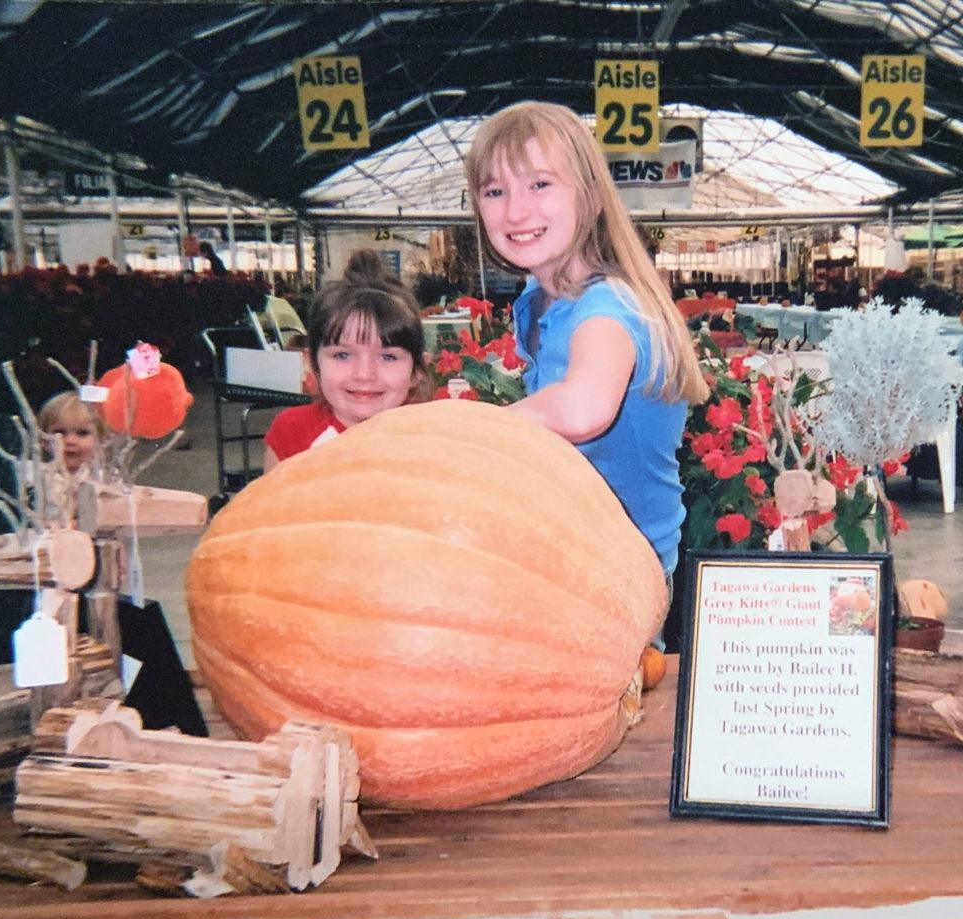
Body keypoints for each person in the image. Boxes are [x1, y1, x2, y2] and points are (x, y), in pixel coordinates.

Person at [464, 101, 708, 582]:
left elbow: (582, 410)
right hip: (577, 553)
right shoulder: (541, 299)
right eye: (495, 191)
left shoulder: (610, 308)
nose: (516, 210)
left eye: (540, 183)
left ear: (592, 197)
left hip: (622, 579)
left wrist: (459, 432)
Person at [35, 390, 208, 736]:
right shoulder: (39, 485)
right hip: (56, 597)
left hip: (101, 590)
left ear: (99, 441)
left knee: (145, 624)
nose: (69, 442)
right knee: (126, 632)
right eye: (59, 433)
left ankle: (177, 724)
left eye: (81, 434)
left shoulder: (101, 484)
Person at [263, 250, 431, 470]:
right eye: (342, 355)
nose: (364, 374)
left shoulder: (431, 438)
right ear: (312, 363)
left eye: (388, 357)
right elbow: (267, 504)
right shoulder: (292, 432)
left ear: (417, 371)